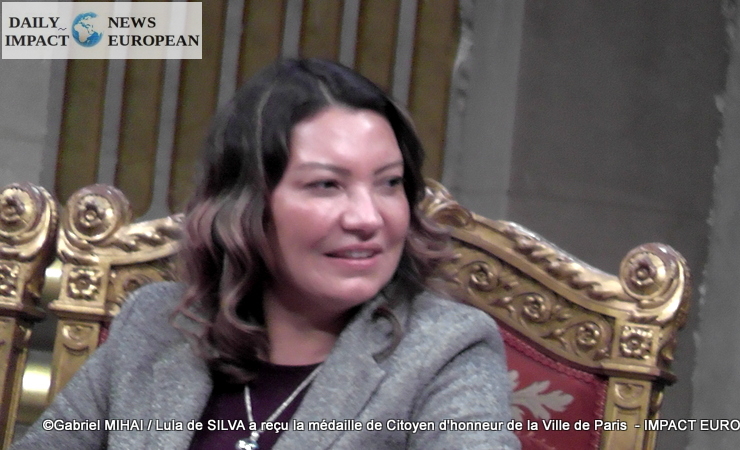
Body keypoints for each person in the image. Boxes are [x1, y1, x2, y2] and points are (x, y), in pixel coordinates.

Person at [14, 58, 519, 449]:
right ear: (245, 207)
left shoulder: (445, 349)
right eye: (327, 185)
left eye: (389, 183)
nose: (368, 218)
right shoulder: (156, 324)